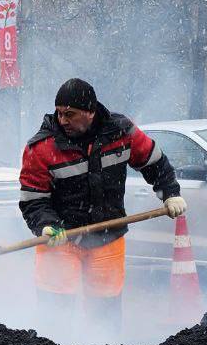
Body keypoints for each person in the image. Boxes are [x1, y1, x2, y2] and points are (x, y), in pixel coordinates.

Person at [18, 78, 185, 332]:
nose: (63, 120)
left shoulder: (121, 132)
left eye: (70, 114)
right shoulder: (41, 148)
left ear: (90, 111)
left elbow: (154, 162)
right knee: (55, 313)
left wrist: (170, 194)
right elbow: (33, 198)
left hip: (108, 236)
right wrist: (46, 225)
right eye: (59, 113)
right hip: (61, 240)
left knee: (105, 314)